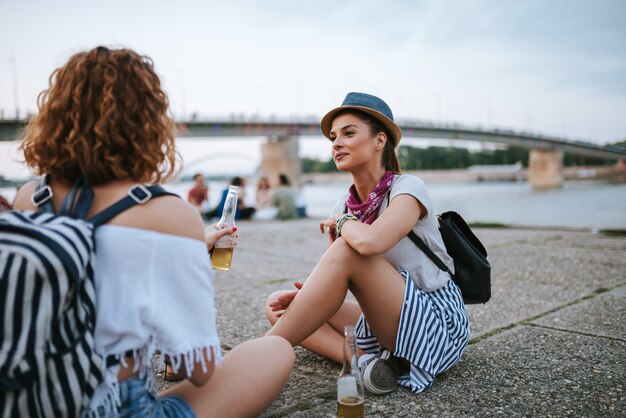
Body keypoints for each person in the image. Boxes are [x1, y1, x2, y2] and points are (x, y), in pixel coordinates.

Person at [13, 46, 294, 417]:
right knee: (273, 351)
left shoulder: (29, 197)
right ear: (148, 123)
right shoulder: (167, 213)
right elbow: (199, 369)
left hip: (33, 399)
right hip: (115, 406)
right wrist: (186, 257)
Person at [264, 92, 469, 395]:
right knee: (279, 305)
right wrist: (307, 296)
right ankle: (366, 362)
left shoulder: (407, 188)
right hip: (387, 317)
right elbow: (341, 277)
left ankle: (261, 354)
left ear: (379, 141)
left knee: (349, 249)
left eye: (348, 133)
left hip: (435, 322)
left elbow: (370, 242)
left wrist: (345, 225)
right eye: (333, 137)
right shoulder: (342, 207)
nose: (336, 143)